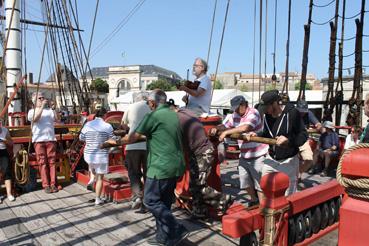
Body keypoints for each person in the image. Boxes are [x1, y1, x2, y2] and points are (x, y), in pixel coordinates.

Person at [121, 89, 188, 245]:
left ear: (152, 102)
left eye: (149, 103)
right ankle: (163, 236)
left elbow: (133, 137)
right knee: (163, 203)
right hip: (176, 165)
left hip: (160, 166)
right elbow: (161, 133)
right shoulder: (174, 114)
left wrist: (117, 141)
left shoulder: (153, 116)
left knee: (150, 200)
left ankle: (176, 227)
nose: (149, 106)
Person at [169, 100, 232, 218]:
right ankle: (200, 210)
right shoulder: (187, 111)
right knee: (194, 185)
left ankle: (223, 199)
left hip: (203, 153)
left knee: (199, 185)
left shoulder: (177, 119)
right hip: (198, 152)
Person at [211, 96, 269, 204]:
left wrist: (226, 132)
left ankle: (263, 206)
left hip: (258, 154)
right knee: (244, 182)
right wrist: (217, 129)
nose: (236, 111)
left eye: (238, 108)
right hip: (244, 155)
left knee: (259, 183)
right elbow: (225, 125)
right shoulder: (235, 115)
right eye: (235, 109)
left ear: (244, 105)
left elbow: (246, 127)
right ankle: (254, 200)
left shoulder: (254, 112)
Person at [256, 90, 308, 195]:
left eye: (266, 108)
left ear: (274, 104)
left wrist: (289, 141)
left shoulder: (292, 114)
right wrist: (257, 135)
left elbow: (303, 135)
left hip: (288, 160)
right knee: (264, 187)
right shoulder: (268, 116)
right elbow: (268, 134)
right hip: (271, 158)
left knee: (288, 193)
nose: (265, 111)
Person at [120, 91, 151, 210]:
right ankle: (148, 200)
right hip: (148, 145)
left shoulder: (130, 106)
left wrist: (129, 128)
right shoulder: (150, 107)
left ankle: (137, 196)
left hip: (132, 145)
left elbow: (123, 125)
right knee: (148, 174)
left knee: (133, 172)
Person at [79, 107, 114, 206]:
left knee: (92, 164)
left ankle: (91, 177)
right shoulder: (108, 126)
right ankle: (97, 199)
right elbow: (113, 139)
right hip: (101, 156)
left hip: (88, 155)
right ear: (105, 116)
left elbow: (81, 138)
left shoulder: (88, 124)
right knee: (100, 179)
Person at [27, 92, 60, 193]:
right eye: (39, 98)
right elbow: (35, 119)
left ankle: (53, 184)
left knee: (52, 162)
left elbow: (58, 119)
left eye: (42, 97)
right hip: (39, 140)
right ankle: (45, 185)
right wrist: (41, 108)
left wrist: (54, 109)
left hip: (50, 139)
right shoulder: (31, 111)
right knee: (42, 163)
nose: (42, 99)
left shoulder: (49, 111)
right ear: (34, 101)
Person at [0, 121, 15, 203]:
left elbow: (11, 142)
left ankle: (9, 194)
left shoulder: (5, 130)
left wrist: (6, 141)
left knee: (7, 172)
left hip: (3, 150)